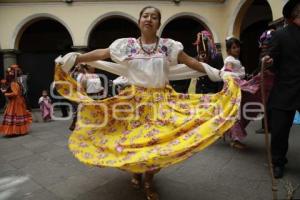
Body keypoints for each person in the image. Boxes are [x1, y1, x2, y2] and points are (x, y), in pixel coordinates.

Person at [54, 6, 241, 200]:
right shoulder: (126, 45)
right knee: (133, 141)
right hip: (134, 102)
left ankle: (149, 180)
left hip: (162, 102)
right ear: (139, 21)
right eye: (145, 16)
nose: (149, 19)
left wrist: (219, 73)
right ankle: (136, 172)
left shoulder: (169, 46)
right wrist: (75, 58)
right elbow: (102, 54)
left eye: (154, 17)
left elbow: (190, 63)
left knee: (156, 144)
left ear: (159, 24)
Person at [262, 0, 300, 179]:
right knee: (279, 131)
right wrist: (268, 61)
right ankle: (278, 162)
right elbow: (270, 57)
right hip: (285, 89)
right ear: (293, 14)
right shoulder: (281, 35)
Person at [0, 66, 32, 136]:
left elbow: (15, 93)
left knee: (14, 115)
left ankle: (14, 131)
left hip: (15, 102)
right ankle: (20, 131)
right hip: (19, 101)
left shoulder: (13, 83)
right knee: (18, 115)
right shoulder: (17, 83)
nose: (7, 77)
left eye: (8, 76)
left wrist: (6, 93)